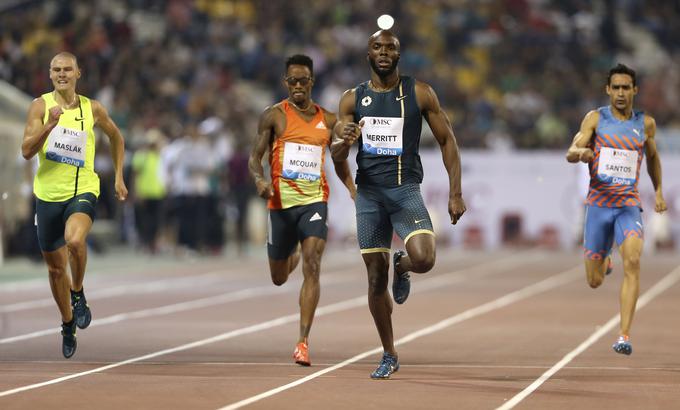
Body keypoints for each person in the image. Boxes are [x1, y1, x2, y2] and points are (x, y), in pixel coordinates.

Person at [331, 30, 466, 379]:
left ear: (399, 55)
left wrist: (455, 192)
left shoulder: (419, 92)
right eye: (377, 46)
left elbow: (447, 140)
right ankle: (389, 353)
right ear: (368, 55)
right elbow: (335, 151)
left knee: (425, 257)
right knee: (375, 280)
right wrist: (343, 143)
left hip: (405, 190)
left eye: (390, 47)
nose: (384, 52)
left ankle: (402, 266)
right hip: (370, 195)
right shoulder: (351, 99)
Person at [248, 54, 356, 366]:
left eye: (303, 80)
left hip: (314, 202)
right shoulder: (273, 116)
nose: (298, 85)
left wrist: (351, 187)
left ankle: (303, 341)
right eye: (292, 80)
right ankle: (291, 250)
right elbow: (255, 157)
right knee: (279, 277)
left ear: (311, 82)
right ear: (286, 82)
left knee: (313, 264)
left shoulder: (329, 119)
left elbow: (339, 157)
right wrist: (259, 179)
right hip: (280, 205)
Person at [21, 52, 128, 358]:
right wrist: (48, 126)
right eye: (56, 69)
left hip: (83, 189)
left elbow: (116, 137)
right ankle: (67, 323)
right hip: (47, 196)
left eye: (68, 69)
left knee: (75, 240)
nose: (62, 73)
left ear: (79, 73)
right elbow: (27, 150)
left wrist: (118, 176)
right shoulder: (40, 106)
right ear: (50, 74)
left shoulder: (91, 108)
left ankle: (78, 292)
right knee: (56, 270)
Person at [566, 63, 666, 355]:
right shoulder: (596, 119)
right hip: (598, 207)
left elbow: (652, 158)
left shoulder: (645, 123)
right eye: (616, 88)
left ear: (634, 90)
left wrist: (658, 190)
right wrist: (581, 152)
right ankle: (605, 260)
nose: (621, 93)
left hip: (627, 206)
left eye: (626, 87)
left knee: (633, 262)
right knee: (594, 281)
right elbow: (572, 150)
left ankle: (624, 335)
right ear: (608, 90)